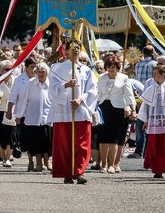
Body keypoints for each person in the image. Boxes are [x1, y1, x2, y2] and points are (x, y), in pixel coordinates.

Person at [48, 38, 98, 184]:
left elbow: (92, 90)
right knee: (65, 144)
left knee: (81, 143)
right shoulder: (57, 68)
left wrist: (81, 99)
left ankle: (79, 171)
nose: (75, 51)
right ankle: (67, 172)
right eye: (72, 48)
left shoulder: (86, 70)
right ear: (66, 51)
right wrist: (66, 85)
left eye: (77, 48)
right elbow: (52, 89)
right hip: (64, 111)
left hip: (81, 110)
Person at [96, 55, 136, 174]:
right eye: (108, 67)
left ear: (117, 67)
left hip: (117, 109)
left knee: (114, 139)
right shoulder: (101, 78)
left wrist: (132, 109)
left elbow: (129, 95)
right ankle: (103, 165)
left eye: (113, 67)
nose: (111, 69)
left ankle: (112, 165)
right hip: (103, 108)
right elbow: (97, 93)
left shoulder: (124, 78)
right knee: (103, 139)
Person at [138, 64, 165, 179]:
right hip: (154, 123)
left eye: (156, 74)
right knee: (156, 146)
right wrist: (145, 121)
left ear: (163, 75)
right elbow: (146, 106)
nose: (153, 77)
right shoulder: (150, 89)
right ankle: (158, 170)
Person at [16, 62, 52, 172]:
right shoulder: (31, 83)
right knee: (35, 142)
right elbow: (24, 100)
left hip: (47, 117)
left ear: (47, 73)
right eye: (39, 72)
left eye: (43, 72)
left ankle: (48, 162)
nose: (41, 74)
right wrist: (19, 114)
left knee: (47, 141)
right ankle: (38, 164)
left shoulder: (51, 83)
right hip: (32, 117)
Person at [6, 57, 37, 171]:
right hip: (23, 113)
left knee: (37, 138)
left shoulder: (40, 79)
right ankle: (30, 161)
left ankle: (41, 160)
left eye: (35, 67)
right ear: (26, 68)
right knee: (27, 138)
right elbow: (13, 96)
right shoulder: (19, 80)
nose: (34, 70)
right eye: (31, 67)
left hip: (37, 113)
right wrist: (10, 111)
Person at [130, 45, 157, 159]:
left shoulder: (138, 64)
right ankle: (147, 150)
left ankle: (139, 150)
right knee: (150, 124)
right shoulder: (155, 65)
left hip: (140, 96)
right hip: (152, 95)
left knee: (140, 123)